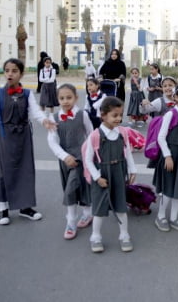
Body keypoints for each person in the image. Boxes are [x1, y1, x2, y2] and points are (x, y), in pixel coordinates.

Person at [0, 58, 56, 225]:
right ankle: (3, 209)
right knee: (3, 171)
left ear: (21, 74)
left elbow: (35, 112)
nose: (10, 74)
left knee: (25, 170)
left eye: (14, 71)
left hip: (23, 136)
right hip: (5, 136)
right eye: (7, 70)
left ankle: (25, 207)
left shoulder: (27, 94)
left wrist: (44, 121)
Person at [83, 96, 137, 253]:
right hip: (102, 175)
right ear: (103, 115)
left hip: (119, 172)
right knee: (99, 208)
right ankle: (95, 236)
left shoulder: (122, 133)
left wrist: (132, 170)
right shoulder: (95, 135)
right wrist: (97, 177)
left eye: (121, 115)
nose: (119, 119)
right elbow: (88, 160)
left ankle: (124, 235)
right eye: (115, 115)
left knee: (121, 205)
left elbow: (127, 152)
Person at [47, 84, 94, 240]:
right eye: (61, 98)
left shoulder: (82, 115)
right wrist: (64, 156)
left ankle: (71, 221)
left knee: (73, 190)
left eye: (69, 97)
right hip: (65, 160)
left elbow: (91, 133)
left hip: (82, 158)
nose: (65, 101)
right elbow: (52, 141)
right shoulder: (54, 118)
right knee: (74, 187)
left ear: (76, 98)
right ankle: (88, 214)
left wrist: (91, 154)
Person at [152, 82, 178, 232]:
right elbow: (161, 137)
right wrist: (168, 156)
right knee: (169, 188)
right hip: (171, 156)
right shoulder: (171, 114)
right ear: (176, 97)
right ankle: (161, 216)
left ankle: (174, 217)